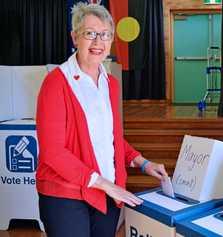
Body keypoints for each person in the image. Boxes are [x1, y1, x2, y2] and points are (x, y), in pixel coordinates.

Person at [35, 2, 168, 237]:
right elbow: (52, 153)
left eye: (105, 34)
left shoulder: (111, 84)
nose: (98, 42)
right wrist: (106, 184)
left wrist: (143, 163)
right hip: (65, 195)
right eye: (90, 34)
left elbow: (110, 138)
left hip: (106, 193)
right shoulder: (56, 83)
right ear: (75, 38)